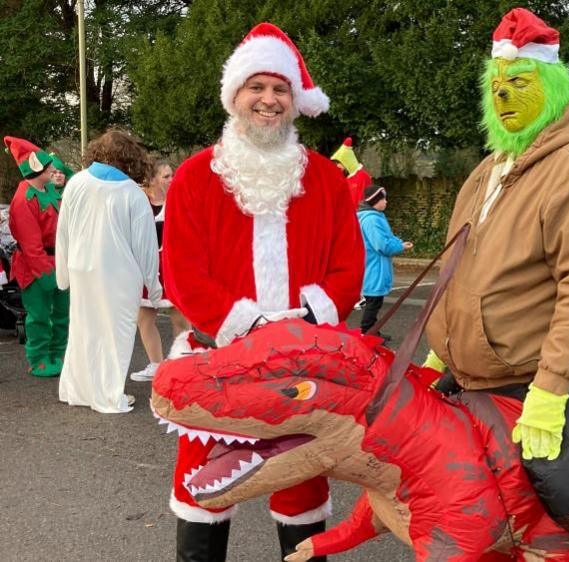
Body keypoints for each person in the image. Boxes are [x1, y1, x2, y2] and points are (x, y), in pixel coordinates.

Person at [425, 8, 569, 559]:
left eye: (519, 83)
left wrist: (551, 388)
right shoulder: (490, 168)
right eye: (495, 86)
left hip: (537, 378)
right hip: (471, 372)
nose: (503, 97)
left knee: (548, 465)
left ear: (553, 86)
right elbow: (461, 273)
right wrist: (435, 353)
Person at [160, 22, 364, 561]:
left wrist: (301, 324)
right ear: (235, 96)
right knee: (202, 485)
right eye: (257, 87)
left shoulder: (324, 178)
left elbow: (348, 266)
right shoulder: (193, 177)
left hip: (303, 363)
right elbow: (182, 271)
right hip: (220, 359)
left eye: (280, 90)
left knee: (302, 488)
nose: (268, 100)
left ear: (295, 102)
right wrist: (248, 328)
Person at [55, 129, 160, 413]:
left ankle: (77, 390)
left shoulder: (76, 182)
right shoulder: (132, 195)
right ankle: (110, 396)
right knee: (116, 336)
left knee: (82, 329)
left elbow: (62, 232)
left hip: (80, 269)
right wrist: (155, 285)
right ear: (131, 158)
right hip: (120, 276)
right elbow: (146, 247)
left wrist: (62, 274)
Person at [3, 136, 67, 377]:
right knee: (40, 316)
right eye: (48, 166)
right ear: (35, 169)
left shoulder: (50, 188)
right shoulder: (23, 201)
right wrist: (47, 274)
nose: (53, 168)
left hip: (59, 260)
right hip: (35, 267)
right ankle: (39, 359)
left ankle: (58, 354)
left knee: (62, 314)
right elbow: (31, 247)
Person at [130, 161, 191, 382]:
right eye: (166, 176)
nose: (171, 180)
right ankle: (156, 364)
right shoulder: (138, 201)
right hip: (146, 267)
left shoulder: (179, 200)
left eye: (171, 175)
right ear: (152, 179)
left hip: (172, 266)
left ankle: (183, 363)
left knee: (180, 316)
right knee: (144, 317)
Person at [356, 184, 412, 337]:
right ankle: (367, 333)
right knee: (373, 303)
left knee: (375, 302)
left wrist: (399, 243)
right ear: (374, 201)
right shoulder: (372, 220)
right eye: (383, 199)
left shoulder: (374, 217)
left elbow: (386, 239)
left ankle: (373, 332)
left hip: (374, 265)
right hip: (374, 267)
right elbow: (382, 245)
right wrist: (399, 246)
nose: (386, 202)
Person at [330, 137, 372, 207]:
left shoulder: (362, 176)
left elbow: (363, 200)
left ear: (347, 161)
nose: (337, 166)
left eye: (339, 163)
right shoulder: (346, 179)